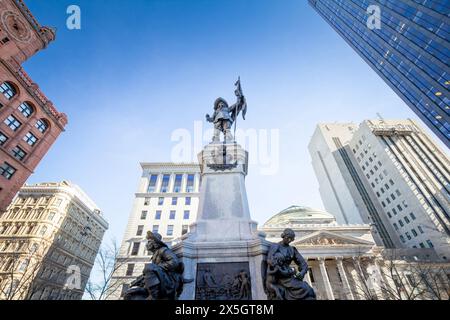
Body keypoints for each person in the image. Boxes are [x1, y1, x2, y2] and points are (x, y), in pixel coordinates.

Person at [124, 231, 185, 300]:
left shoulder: (163, 250)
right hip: (159, 279)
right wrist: (138, 280)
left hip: (169, 280)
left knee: (149, 267)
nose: (147, 244)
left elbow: (174, 262)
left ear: (155, 243)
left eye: (149, 242)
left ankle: (154, 296)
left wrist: (157, 268)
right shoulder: (155, 254)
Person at [265, 228, 316, 300]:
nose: (289, 240)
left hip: (289, 277)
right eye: (288, 238)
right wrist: (284, 270)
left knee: (309, 290)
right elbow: (270, 260)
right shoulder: (276, 246)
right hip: (279, 276)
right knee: (305, 290)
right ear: (283, 236)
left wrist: (301, 273)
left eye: (291, 239)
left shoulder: (292, 249)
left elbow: (303, 264)